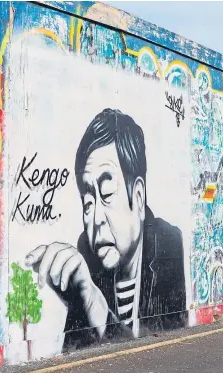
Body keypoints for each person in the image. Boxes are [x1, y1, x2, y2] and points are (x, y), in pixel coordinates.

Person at [25, 108, 187, 349]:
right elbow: (74, 355)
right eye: (88, 203)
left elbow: (163, 350)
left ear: (139, 197)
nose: (96, 218)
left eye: (108, 192)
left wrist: (95, 306)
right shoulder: (85, 255)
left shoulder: (166, 243)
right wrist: (81, 301)